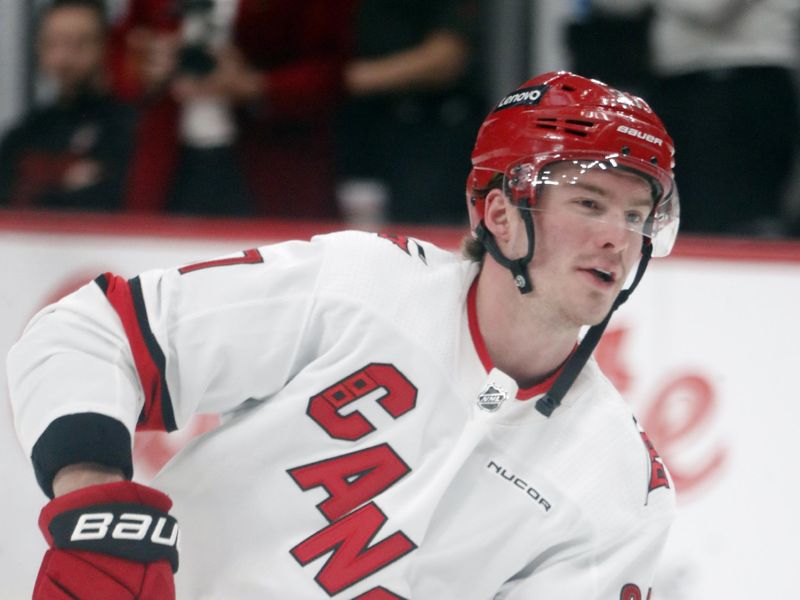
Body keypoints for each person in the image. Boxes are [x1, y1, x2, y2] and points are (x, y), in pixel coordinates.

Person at [8, 71, 679, 598]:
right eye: (589, 204)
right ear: (501, 214)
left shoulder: (618, 483)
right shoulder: (362, 287)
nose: (616, 239)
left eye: (636, 215)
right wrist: (94, 507)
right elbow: (93, 334)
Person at [109, 0, 355, 217]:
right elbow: (124, 49)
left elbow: (332, 70)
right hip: (168, 162)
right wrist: (148, 66)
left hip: (276, 165)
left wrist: (256, 86)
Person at [592, 0, 800, 236]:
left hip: (745, 82)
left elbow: (707, 8)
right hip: (680, 85)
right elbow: (616, 6)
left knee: (739, 217)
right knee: (681, 210)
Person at [0, 0, 136, 211]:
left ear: (107, 46)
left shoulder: (130, 128)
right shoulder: (25, 133)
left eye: (80, 43)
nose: (65, 57)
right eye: (54, 43)